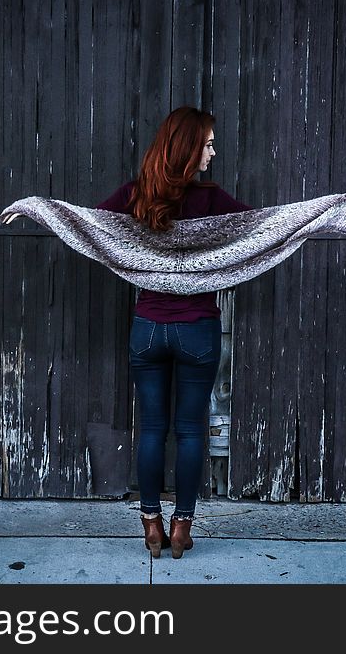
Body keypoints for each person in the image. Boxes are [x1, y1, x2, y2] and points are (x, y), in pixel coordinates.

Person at [96, 106, 251, 559]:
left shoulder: (136, 195)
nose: (212, 151)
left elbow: (94, 227)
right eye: (207, 143)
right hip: (198, 331)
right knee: (189, 432)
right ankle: (181, 526)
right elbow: (260, 231)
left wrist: (45, 211)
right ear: (187, 148)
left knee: (151, 431)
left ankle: (150, 522)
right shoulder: (213, 201)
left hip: (148, 328)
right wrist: (316, 216)